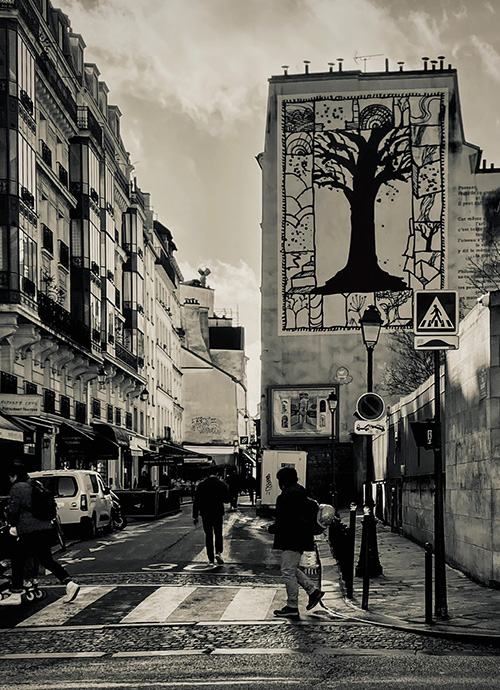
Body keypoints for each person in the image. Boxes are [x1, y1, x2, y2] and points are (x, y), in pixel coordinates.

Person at [0, 462, 80, 606]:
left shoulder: (17, 487)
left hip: (30, 531)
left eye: (10, 477)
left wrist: (10, 522)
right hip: (45, 528)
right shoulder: (36, 484)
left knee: (17, 558)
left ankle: (16, 593)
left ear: (15, 476)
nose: (10, 480)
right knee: (46, 560)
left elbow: (13, 510)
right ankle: (69, 583)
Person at [268, 466, 324, 620]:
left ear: (283, 480)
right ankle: (313, 591)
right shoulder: (299, 491)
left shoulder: (289, 495)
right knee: (291, 568)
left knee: (287, 571)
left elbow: (287, 519)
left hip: (292, 538)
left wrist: (273, 528)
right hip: (298, 537)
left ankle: (292, 606)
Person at [193, 471, 230, 565]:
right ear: (217, 474)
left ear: (207, 474)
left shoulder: (201, 485)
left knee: (208, 535)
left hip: (206, 512)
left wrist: (195, 515)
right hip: (217, 512)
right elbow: (227, 499)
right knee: (218, 533)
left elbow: (197, 501)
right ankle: (218, 552)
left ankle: (210, 558)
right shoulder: (222, 485)